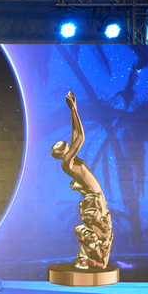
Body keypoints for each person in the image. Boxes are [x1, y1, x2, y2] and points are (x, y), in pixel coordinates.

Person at [52, 91, 113, 270]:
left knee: (98, 229)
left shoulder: (69, 159)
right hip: (94, 196)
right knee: (97, 229)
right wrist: (74, 109)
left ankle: (87, 260)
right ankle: (92, 260)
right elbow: (80, 137)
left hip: (94, 195)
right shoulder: (67, 162)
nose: (59, 142)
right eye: (57, 145)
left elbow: (75, 133)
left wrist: (73, 110)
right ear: (60, 153)